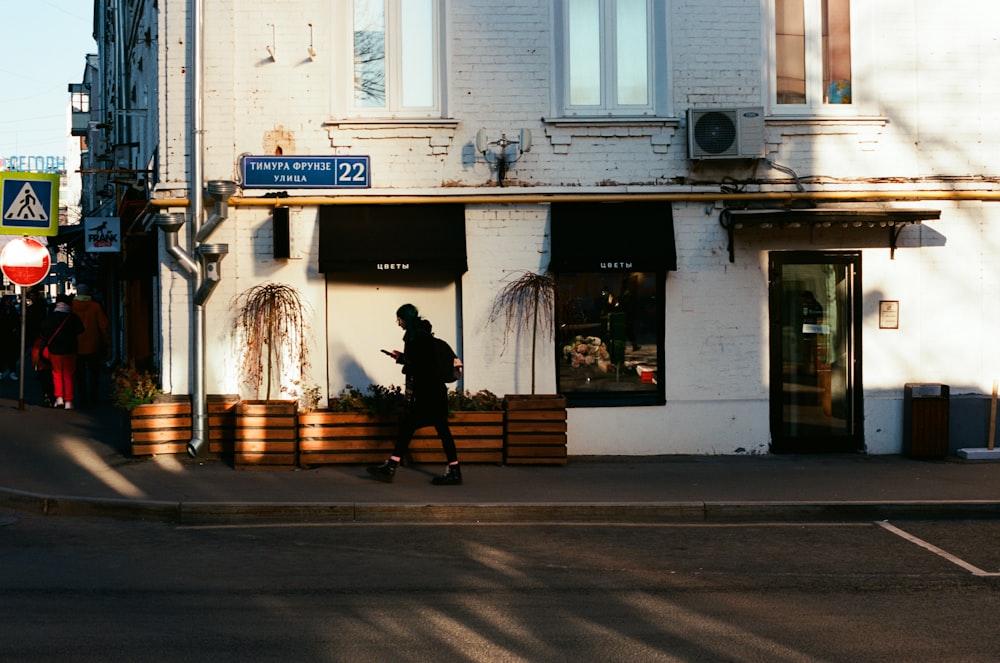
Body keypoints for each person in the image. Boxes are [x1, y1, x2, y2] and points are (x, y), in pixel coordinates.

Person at [367, 303, 462, 486]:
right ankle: (454, 470)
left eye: (399, 319)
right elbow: (424, 362)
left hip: (427, 392)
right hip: (436, 391)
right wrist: (402, 358)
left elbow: (419, 366)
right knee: (440, 430)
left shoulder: (415, 338)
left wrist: (404, 361)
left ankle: (390, 467)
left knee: (409, 426)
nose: (398, 323)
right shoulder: (423, 336)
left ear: (406, 319)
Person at [41, 294, 84, 410]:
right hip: (70, 350)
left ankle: (59, 398)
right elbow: (81, 330)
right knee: (69, 375)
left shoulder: (50, 317)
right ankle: (69, 401)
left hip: (54, 350)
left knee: (56, 374)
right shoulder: (72, 317)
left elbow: (44, 331)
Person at [71, 283, 111, 407]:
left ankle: (82, 397)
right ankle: (93, 396)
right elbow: (103, 325)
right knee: (94, 373)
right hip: (93, 344)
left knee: (80, 374)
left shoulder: (72, 306)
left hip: (76, 345)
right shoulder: (95, 306)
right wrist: (106, 341)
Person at [0, 295, 20, 380]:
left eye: (10, 301)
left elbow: (17, 320)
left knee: (12, 354)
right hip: (2, 334)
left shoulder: (12, 309)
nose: (9, 302)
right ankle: (1, 371)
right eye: (8, 301)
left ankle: (12, 372)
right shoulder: (1, 309)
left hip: (11, 335)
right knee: (2, 354)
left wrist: (15, 328)